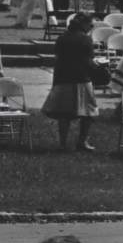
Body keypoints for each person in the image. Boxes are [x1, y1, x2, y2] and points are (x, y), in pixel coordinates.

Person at [41, 12, 101, 151]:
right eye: (90, 24)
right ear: (84, 24)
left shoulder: (62, 37)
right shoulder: (85, 39)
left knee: (64, 114)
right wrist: (97, 68)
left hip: (63, 77)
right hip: (81, 78)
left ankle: (63, 143)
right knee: (89, 112)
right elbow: (88, 61)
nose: (91, 27)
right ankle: (82, 141)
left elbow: (58, 56)